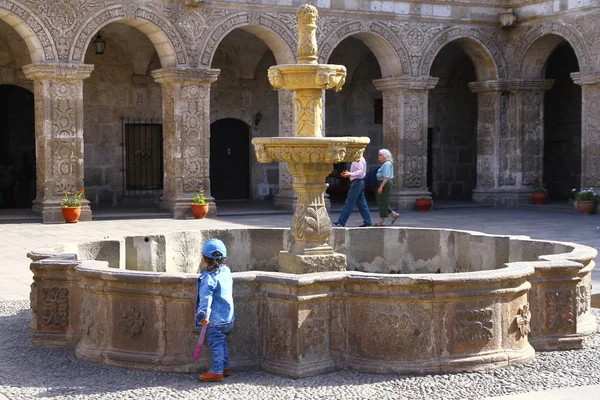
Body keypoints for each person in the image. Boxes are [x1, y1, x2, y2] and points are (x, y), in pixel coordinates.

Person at [195, 238, 235, 382]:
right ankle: (225, 367)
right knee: (222, 342)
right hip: (229, 318)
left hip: (216, 320)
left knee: (216, 344)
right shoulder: (226, 271)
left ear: (204, 259)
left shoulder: (209, 277)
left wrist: (203, 315)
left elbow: (205, 298)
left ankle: (217, 371)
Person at [333, 156, 372, 227]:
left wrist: (350, 174)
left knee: (349, 202)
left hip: (357, 183)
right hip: (359, 182)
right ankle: (368, 221)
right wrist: (349, 174)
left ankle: (341, 222)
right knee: (362, 203)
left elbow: (360, 171)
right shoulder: (359, 158)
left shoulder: (357, 159)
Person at [374, 149, 400, 226]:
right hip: (382, 183)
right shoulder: (384, 164)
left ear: (385, 156)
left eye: (380, 155)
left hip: (384, 183)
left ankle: (382, 221)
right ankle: (394, 214)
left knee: (383, 201)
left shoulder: (387, 164)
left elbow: (386, 177)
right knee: (381, 201)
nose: (379, 156)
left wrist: (381, 187)